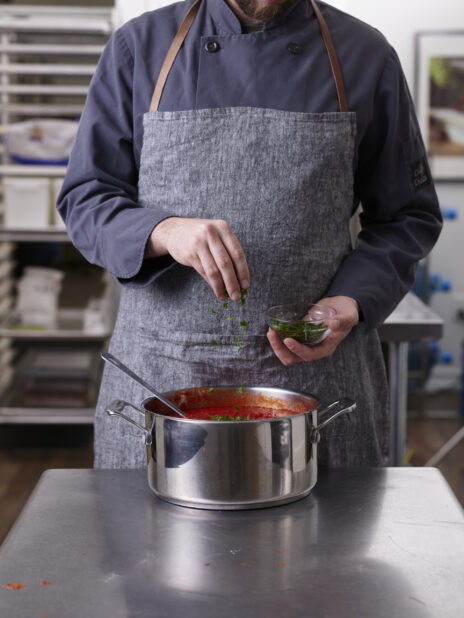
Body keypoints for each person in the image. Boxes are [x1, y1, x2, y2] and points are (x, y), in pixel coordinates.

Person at [57, 0, 442, 469]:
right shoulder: (139, 47)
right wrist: (163, 230)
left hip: (316, 385)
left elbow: (407, 217)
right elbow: (85, 199)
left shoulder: (365, 55)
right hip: (164, 383)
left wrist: (353, 301)